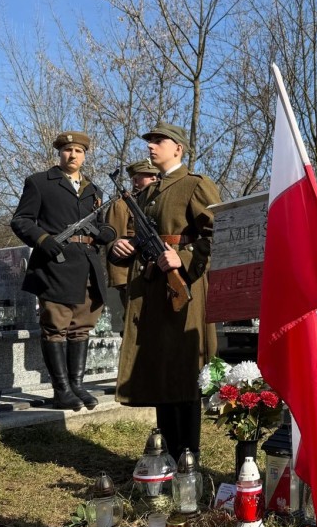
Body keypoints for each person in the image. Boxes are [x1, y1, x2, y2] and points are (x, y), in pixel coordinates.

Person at [110, 122, 221, 461]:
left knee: (183, 371)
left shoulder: (195, 185)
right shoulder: (145, 194)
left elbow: (218, 234)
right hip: (154, 290)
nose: (151, 146)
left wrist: (184, 256)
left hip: (184, 288)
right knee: (160, 369)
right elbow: (134, 234)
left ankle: (189, 454)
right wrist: (120, 246)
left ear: (178, 149)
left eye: (159, 141)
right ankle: (170, 454)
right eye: (150, 141)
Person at [11, 131, 116, 411]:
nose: (73, 155)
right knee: (56, 327)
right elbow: (21, 220)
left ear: (85, 155)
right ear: (60, 153)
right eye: (68, 150)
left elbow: (102, 224)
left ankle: (76, 385)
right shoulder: (40, 183)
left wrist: (106, 232)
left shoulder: (94, 190)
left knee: (81, 328)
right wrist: (43, 241)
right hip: (55, 264)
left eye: (78, 151)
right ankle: (61, 389)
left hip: (87, 266)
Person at [104, 159, 160, 306]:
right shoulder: (121, 205)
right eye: (149, 175)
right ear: (135, 180)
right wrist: (122, 282)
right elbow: (114, 243)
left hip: (156, 272)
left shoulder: (156, 203)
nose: (155, 179)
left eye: (156, 175)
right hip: (132, 276)